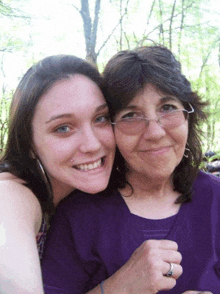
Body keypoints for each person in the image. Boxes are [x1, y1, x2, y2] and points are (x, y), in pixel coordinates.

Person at [41, 46, 217, 294]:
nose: (155, 133)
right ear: (110, 128)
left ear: (189, 115)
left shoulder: (215, 198)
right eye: (132, 115)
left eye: (167, 108)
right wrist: (116, 288)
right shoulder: (78, 216)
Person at [0, 54, 115, 293]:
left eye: (100, 118)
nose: (92, 144)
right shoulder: (12, 196)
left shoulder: (65, 199)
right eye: (63, 128)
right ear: (29, 143)